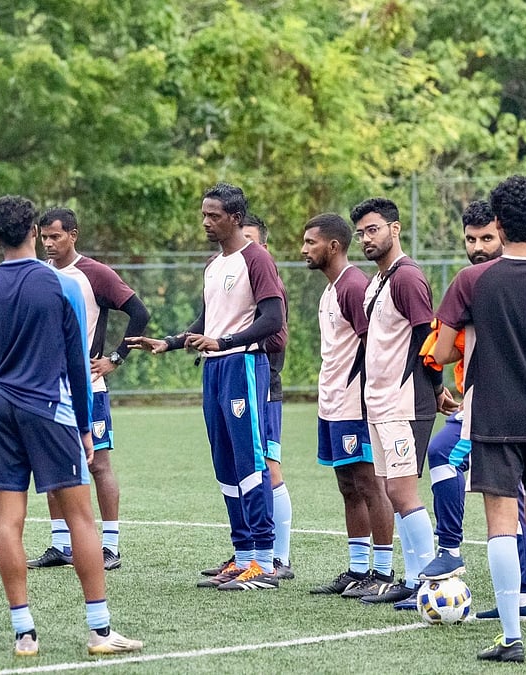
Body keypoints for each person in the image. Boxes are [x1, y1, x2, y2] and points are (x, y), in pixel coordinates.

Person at [0, 195, 143, 657]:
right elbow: (76, 364)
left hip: (2, 410)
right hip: (51, 410)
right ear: (33, 231)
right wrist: (87, 427)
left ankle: (24, 634)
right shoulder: (60, 284)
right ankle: (100, 631)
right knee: (80, 519)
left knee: (10, 522)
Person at [434, 176, 526, 662]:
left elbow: (444, 349)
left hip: (490, 417)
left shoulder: (471, 281)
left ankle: (510, 637)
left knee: (499, 522)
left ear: (498, 220)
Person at [130, 183, 283, 592]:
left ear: (234, 217)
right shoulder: (214, 265)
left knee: (250, 460)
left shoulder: (257, 259)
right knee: (226, 464)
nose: (205, 222)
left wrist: (227, 342)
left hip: (244, 366)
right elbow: (208, 321)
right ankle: (244, 556)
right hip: (214, 369)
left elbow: (273, 319)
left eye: (213, 215)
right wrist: (171, 342)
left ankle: (265, 562)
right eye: (203, 214)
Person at [29, 207, 150, 572]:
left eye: (56, 236)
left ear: (73, 235)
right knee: (52, 466)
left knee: (98, 465)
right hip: (49, 389)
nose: (49, 244)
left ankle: (110, 545)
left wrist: (116, 356)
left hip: (89, 388)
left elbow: (139, 313)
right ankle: (60, 544)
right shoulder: (39, 274)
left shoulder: (94, 274)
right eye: (44, 237)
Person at [350, 197, 451, 609]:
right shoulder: (378, 279)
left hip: (405, 402)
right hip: (381, 402)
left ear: (395, 229)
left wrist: (436, 387)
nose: (365, 239)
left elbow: (428, 336)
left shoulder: (407, 277)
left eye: (373, 230)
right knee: (393, 491)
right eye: (360, 233)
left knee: (404, 492)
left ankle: (426, 582)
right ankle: (411, 580)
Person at [300, 213, 396, 597]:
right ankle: (358, 569)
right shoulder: (332, 288)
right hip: (332, 403)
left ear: (334, 246)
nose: (304, 249)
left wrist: (364, 396)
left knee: (369, 483)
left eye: (311, 242)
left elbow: (371, 343)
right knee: (347, 484)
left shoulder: (354, 285)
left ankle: (384, 572)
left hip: (355, 403)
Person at [240, 214, 293, 577]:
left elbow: (277, 336)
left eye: (251, 240)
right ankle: (250, 554)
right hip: (238, 382)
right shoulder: (231, 280)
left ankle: (278, 558)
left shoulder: (268, 281)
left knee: (268, 467)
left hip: (265, 383)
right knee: (244, 467)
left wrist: (236, 341)